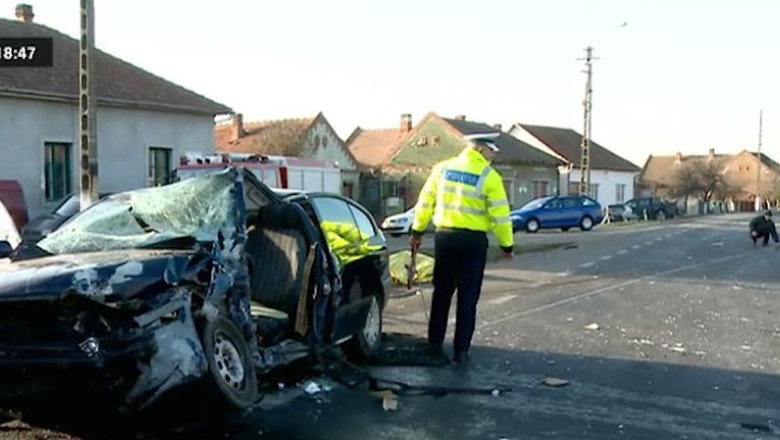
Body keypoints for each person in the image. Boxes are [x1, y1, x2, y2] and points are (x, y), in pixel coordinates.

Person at [409, 132, 514, 364]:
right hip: (473, 242)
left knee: (442, 294)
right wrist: (507, 245)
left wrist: (417, 231)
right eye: (491, 152)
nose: (492, 157)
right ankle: (461, 352)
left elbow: (425, 202)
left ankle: (435, 346)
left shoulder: (442, 169)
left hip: (445, 238)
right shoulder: (489, 176)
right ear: (480, 150)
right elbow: (500, 216)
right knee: (468, 298)